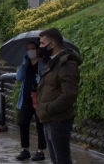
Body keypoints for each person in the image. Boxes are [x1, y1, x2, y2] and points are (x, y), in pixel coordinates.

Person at [37, 28, 82, 164]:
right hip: (49, 119)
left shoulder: (66, 64)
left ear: (52, 45)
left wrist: (50, 108)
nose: (40, 47)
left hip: (58, 120)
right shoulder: (52, 63)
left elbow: (70, 93)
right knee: (56, 160)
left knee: (62, 160)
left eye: (42, 44)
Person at [15, 41, 46, 161]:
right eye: (28, 49)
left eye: (32, 48)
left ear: (38, 50)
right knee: (23, 123)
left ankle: (40, 150)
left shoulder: (43, 63)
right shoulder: (26, 63)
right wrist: (23, 63)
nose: (30, 51)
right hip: (27, 98)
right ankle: (25, 149)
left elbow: (47, 77)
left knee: (40, 125)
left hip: (40, 98)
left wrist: (41, 79)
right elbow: (18, 78)